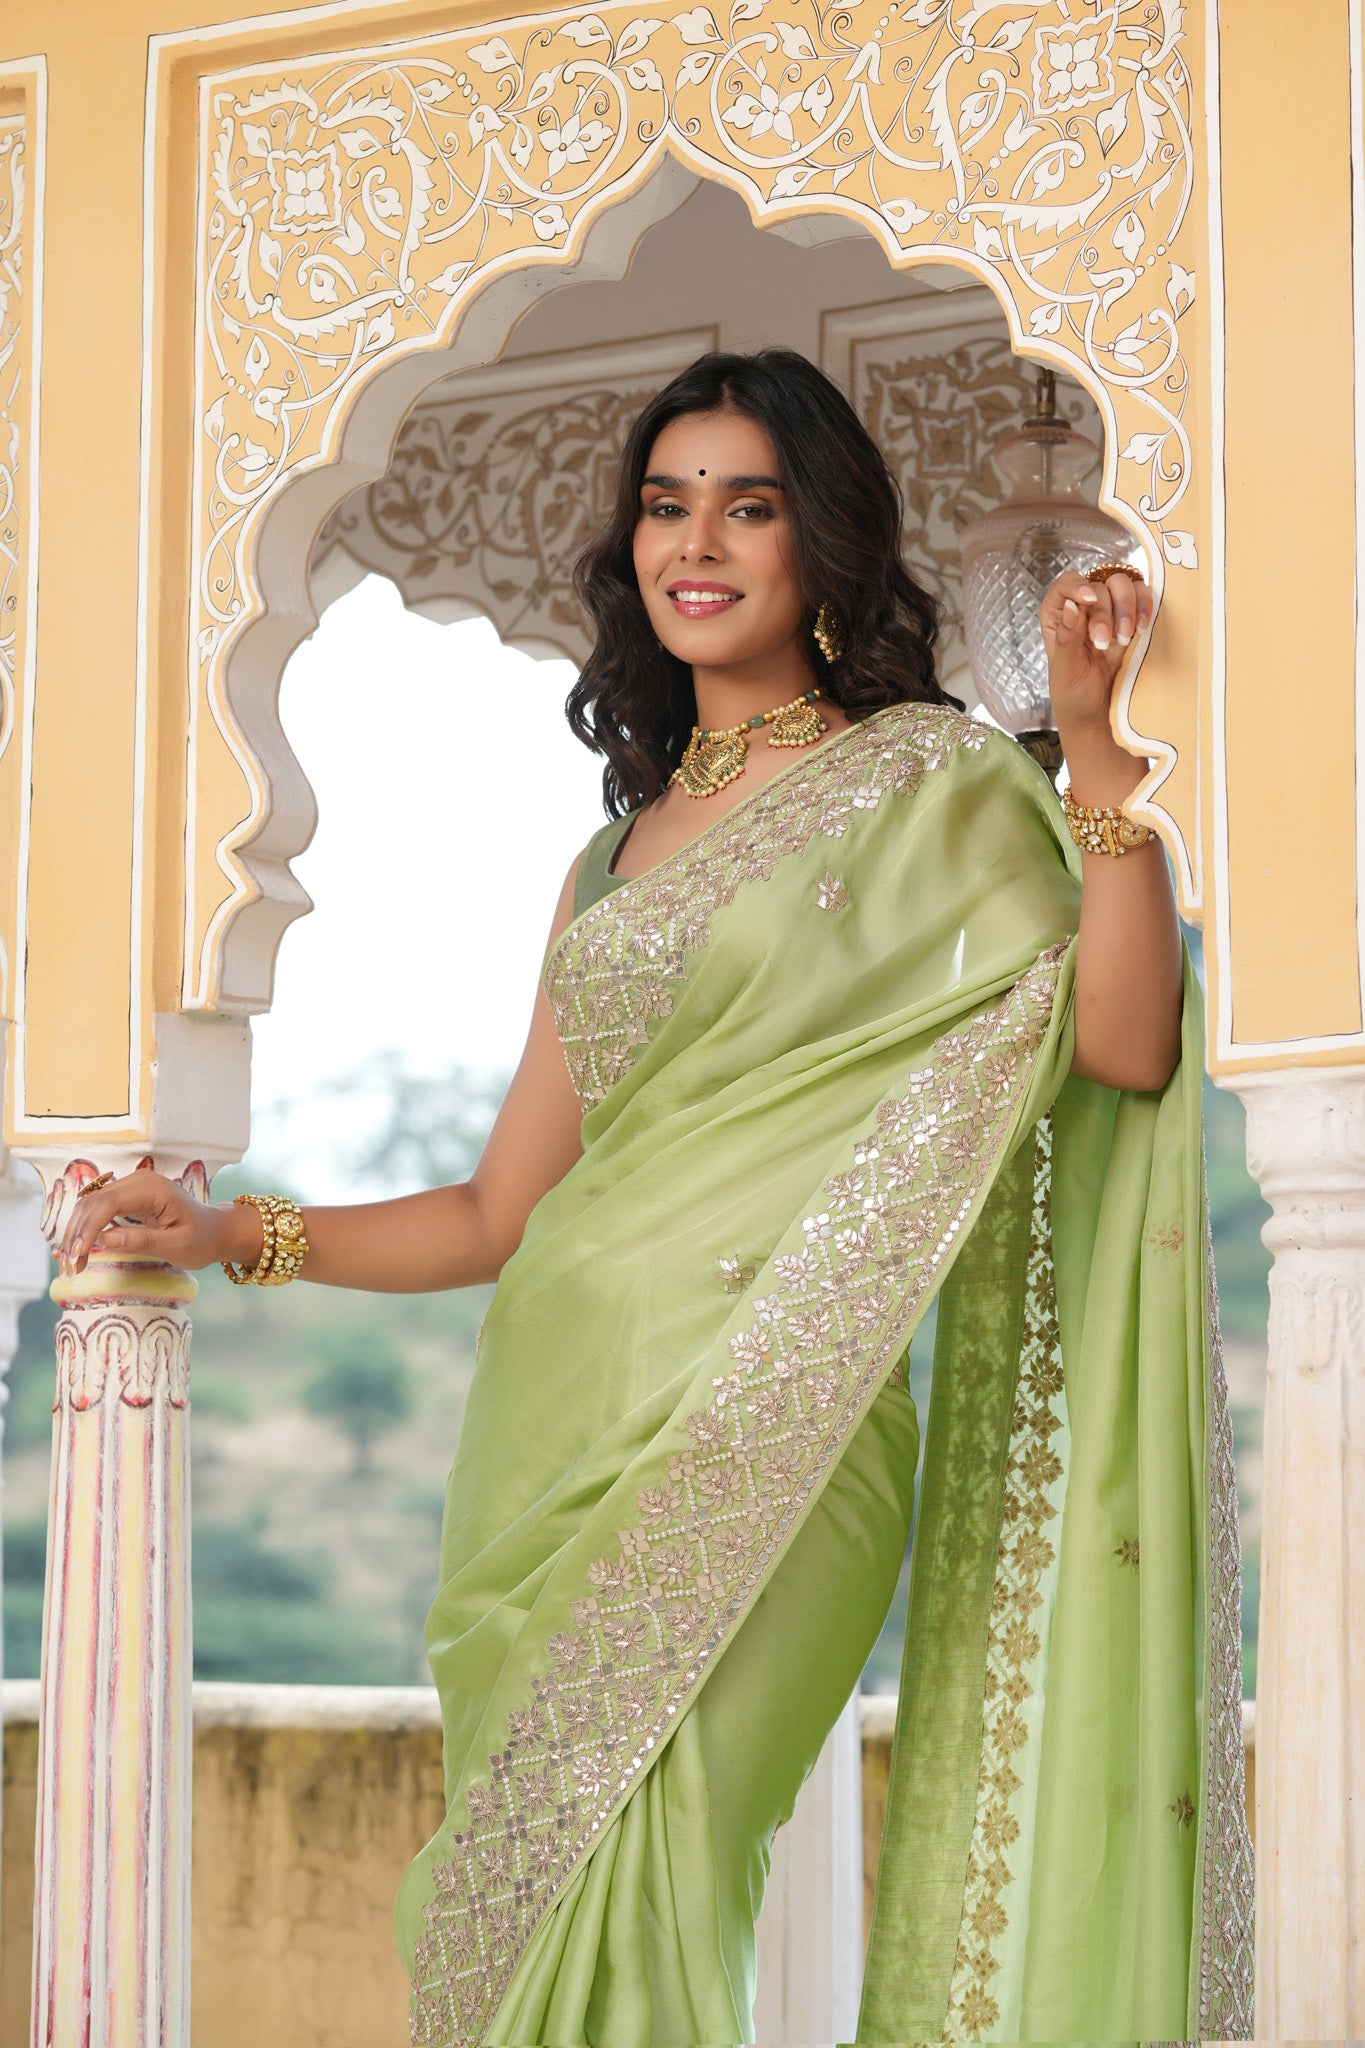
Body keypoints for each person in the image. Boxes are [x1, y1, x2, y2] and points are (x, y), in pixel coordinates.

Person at [59, 349, 1252, 2045]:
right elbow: (497, 1214)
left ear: (822, 541)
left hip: (787, 1419)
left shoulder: (932, 781)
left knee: (673, 1877)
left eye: (746, 505)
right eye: (664, 504)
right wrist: (234, 1230)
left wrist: (1098, 775)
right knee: (527, 1939)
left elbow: (1123, 1046)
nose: (696, 542)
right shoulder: (606, 865)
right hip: (549, 1441)